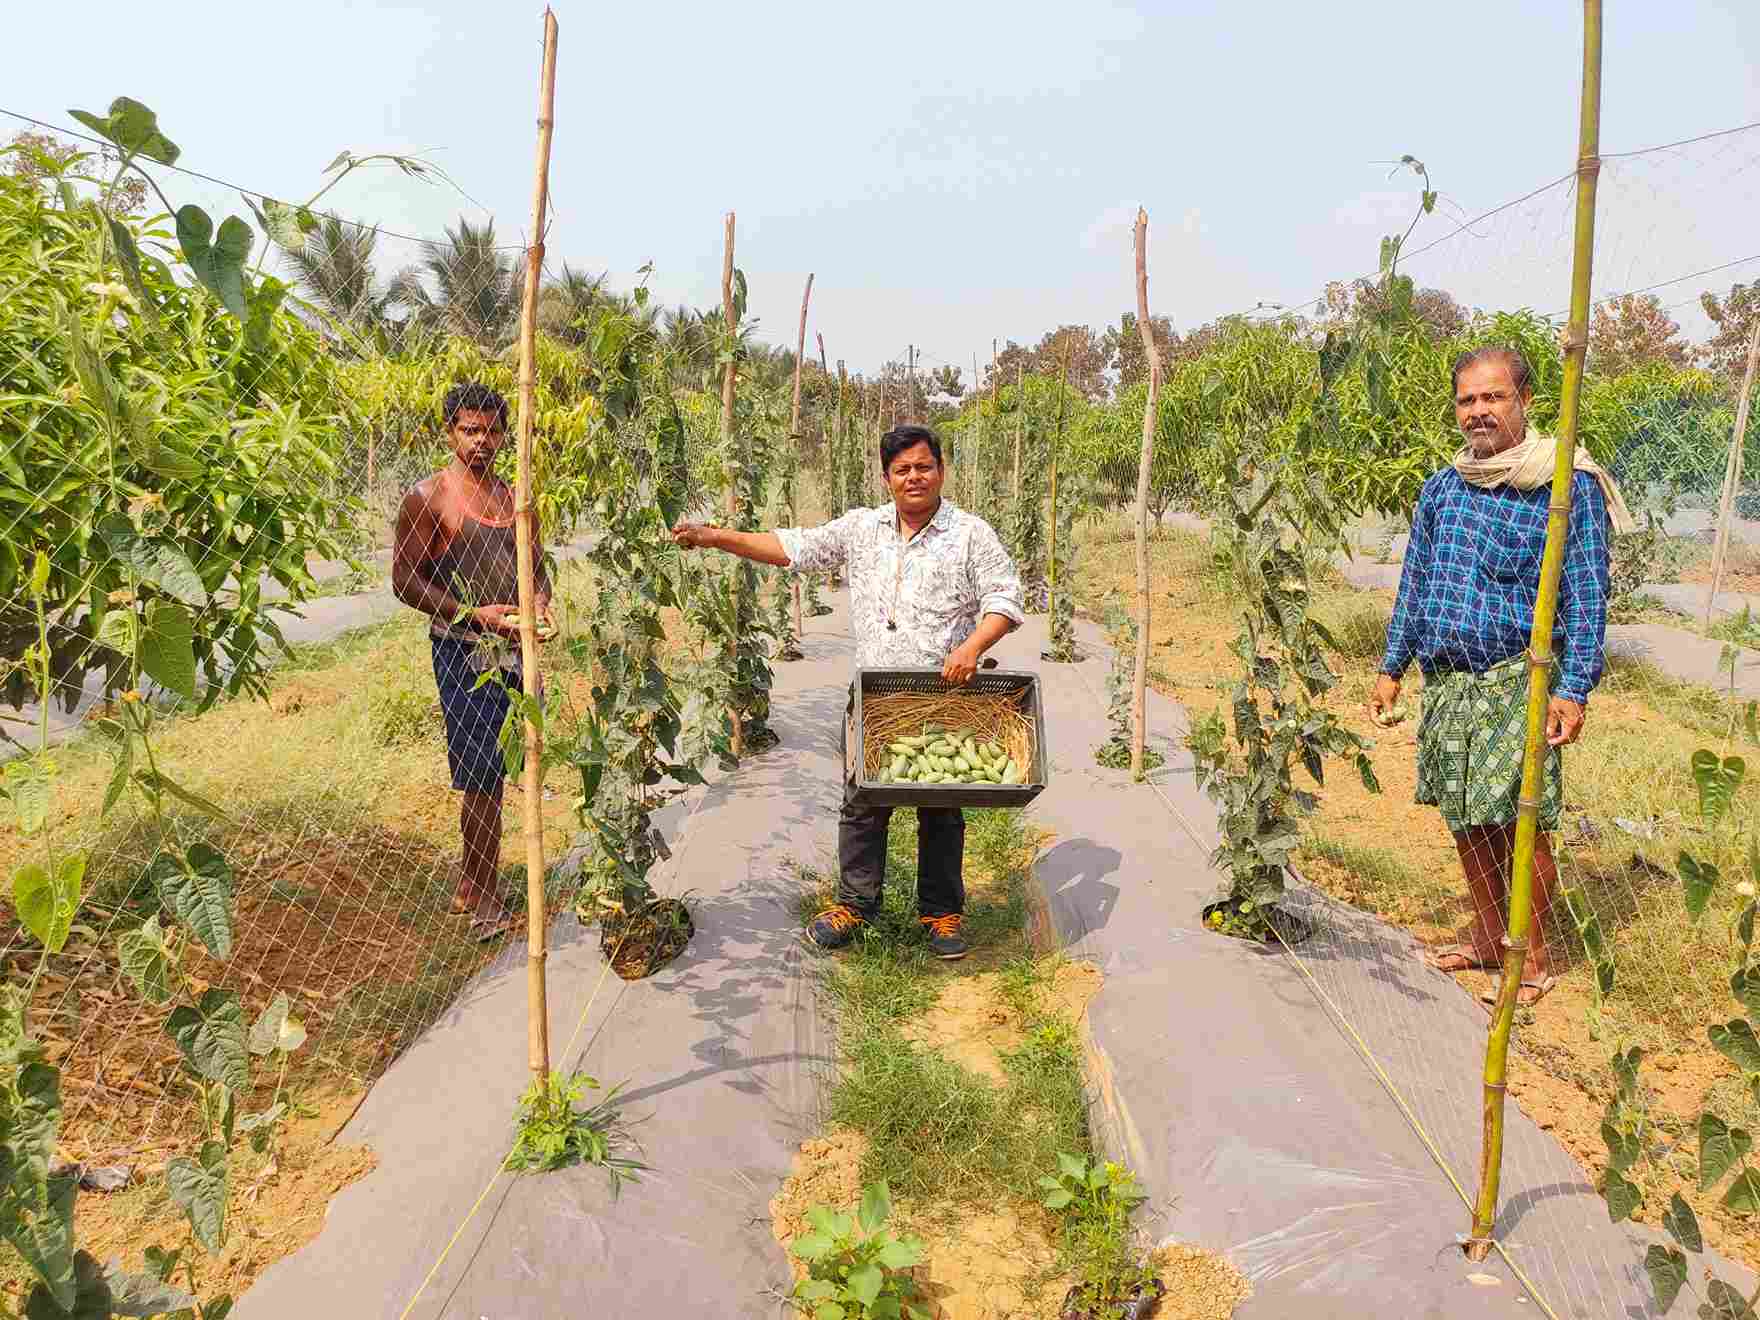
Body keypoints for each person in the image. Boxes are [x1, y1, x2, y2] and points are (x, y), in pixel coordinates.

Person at [671, 424, 1024, 960]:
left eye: (924, 466)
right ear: (886, 478)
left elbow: (1004, 598)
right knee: (862, 802)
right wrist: (717, 536)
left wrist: (974, 646)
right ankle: (856, 905)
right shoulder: (863, 529)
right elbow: (793, 547)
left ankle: (941, 913)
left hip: (943, 695)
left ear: (941, 471)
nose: (914, 477)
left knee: (941, 807)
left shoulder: (971, 534)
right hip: (877, 694)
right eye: (902, 469)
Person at [1370, 346, 1631, 1006]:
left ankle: (1531, 955)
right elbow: (1416, 583)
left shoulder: (1562, 488)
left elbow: (1587, 593)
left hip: (1519, 679)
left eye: (1493, 398)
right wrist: (1391, 665)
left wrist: (1573, 687)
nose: (1479, 411)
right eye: (1467, 400)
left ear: (1524, 402)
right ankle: (1489, 935)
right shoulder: (1442, 488)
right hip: (1449, 681)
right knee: (1465, 816)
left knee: (1519, 822)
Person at [391, 382, 551, 941]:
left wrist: (541, 605)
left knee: (504, 768)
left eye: (492, 430)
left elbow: (536, 568)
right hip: (463, 652)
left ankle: (469, 880)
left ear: (506, 434)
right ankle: (485, 900)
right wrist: (474, 615)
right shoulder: (430, 498)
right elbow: (404, 582)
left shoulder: (513, 497)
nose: (482, 441)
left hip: (513, 650)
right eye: (470, 430)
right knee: (481, 777)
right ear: (450, 432)